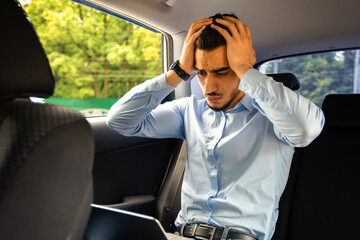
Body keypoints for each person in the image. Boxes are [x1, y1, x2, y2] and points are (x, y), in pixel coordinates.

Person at [107, 13, 325, 240]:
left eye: (222, 71)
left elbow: (307, 130)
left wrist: (245, 69)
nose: (209, 87)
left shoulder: (276, 120)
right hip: (179, 235)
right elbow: (120, 120)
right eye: (201, 72)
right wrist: (178, 71)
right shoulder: (189, 111)